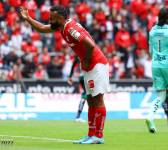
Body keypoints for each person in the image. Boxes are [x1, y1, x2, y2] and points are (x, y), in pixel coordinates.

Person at [19, 5, 110, 144]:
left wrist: (85, 61)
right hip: (88, 66)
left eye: (52, 18)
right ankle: (91, 134)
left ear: (60, 18)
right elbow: (42, 28)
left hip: (96, 64)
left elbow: (90, 45)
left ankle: (98, 136)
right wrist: (28, 19)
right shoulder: (61, 26)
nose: (49, 20)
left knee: (97, 100)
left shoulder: (70, 28)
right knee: (91, 100)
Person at [67, 56, 86, 123]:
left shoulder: (78, 54)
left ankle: (78, 116)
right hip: (86, 76)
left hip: (81, 76)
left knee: (86, 95)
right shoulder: (89, 52)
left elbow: (73, 65)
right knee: (89, 95)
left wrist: (70, 76)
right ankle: (78, 116)